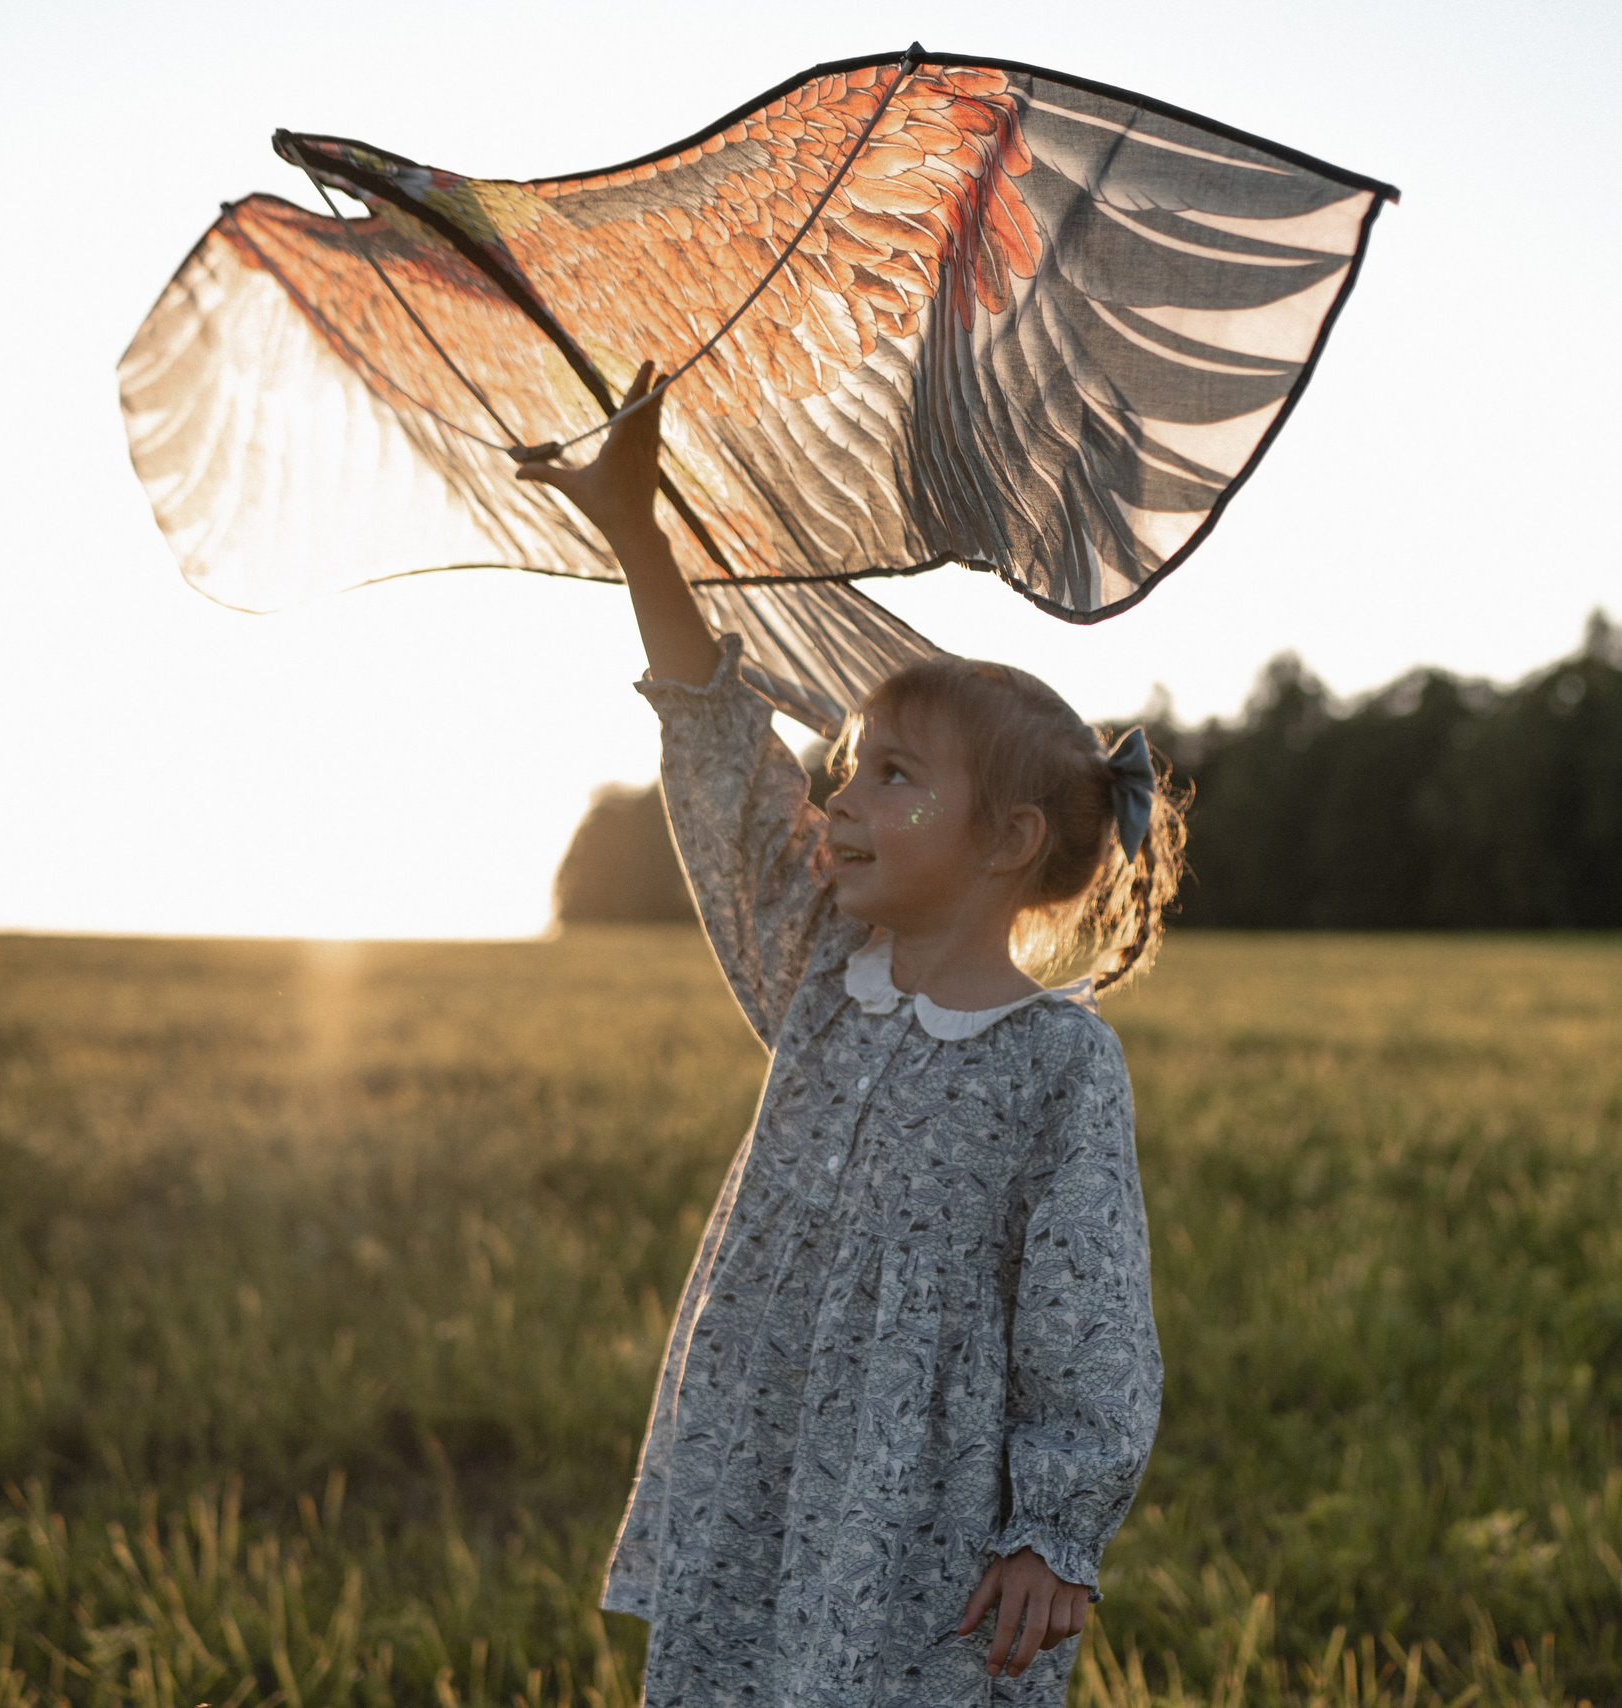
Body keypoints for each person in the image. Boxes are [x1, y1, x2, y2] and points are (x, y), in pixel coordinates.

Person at [518, 368, 1175, 1707]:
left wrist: (1057, 1528)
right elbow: (715, 750)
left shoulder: (1057, 1060)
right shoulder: (820, 972)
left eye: (893, 773)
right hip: (759, 1475)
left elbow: (1088, 1311)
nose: (842, 795)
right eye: (847, 767)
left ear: (1008, 843)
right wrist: (638, 535)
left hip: (920, 1513)